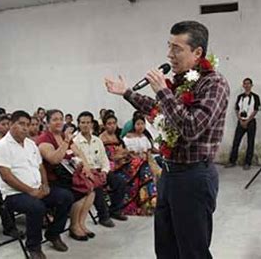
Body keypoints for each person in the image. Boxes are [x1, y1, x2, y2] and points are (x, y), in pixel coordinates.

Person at [105, 20, 229, 259]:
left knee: (192, 251)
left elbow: (191, 126)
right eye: (168, 46)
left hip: (194, 177)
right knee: (165, 247)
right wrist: (127, 93)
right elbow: (159, 110)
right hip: (169, 173)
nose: (169, 54)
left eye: (177, 49)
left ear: (197, 53)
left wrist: (162, 90)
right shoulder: (182, 81)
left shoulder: (214, 83)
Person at [0, 111, 74, 259]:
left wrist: (45, 184)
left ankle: (53, 234)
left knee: (66, 196)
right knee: (36, 207)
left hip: (36, 188)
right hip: (13, 194)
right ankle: (33, 246)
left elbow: (40, 166)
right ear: (11, 124)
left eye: (27, 125)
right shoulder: (1, 146)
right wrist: (30, 191)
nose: (25, 128)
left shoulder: (30, 144)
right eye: (21, 124)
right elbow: (6, 176)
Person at [37, 109, 95, 242]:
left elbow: (79, 153)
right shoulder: (44, 139)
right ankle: (66, 229)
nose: (59, 122)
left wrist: (87, 168)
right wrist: (65, 142)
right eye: (55, 119)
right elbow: (54, 159)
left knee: (91, 189)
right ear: (47, 122)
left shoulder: (64, 136)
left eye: (60, 119)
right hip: (52, 181)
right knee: (76, 192)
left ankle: (80, 224)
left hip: (69, 176)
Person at [74, 111, 127, 228]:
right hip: (86, 174)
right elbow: (76, 162)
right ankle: (104, 216)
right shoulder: (75, 142)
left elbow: (104, 159)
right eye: (83, 122)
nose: (86, 125)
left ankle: (115, 210)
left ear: (92, 124)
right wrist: (90, 173)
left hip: (100, 170)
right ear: (78, 124)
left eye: (88, 122)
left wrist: (104, 171)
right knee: (96, 187)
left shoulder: (97, 140)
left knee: (120, 181)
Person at [122, 114, 161, 215]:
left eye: (142, 124)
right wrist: (138, 158)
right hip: (133, 162)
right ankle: (145, 203)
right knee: (146, 171)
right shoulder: (127, 138)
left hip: (147, 160)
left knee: (159, 172)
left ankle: (154, 201)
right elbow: (127, 153)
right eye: (138, 124)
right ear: (133, 125)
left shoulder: (145, 136)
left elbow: (150, 149)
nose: (140, 126)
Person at [225, 78, 261, 170]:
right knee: (236, 141)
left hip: (251, 121)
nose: (246, 85)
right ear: (243, 85)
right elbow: (236, 109)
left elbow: (256, 110)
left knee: (250, 142)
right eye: (245, 84)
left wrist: (248, 120)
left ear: (251, 85)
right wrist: (240, 120)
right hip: (241, 121)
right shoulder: (240, 96)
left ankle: (247, 163)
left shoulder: (256, 97)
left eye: (248, 83)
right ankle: (232, 161)